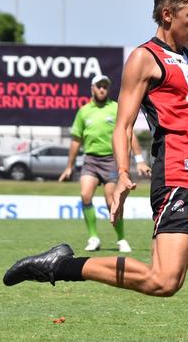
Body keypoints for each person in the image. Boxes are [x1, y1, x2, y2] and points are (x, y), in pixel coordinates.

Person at [3, 0, 188, 341]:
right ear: (167, 15)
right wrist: (122, 173)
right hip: (179, 186)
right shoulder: (144, 58)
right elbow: (122, 126)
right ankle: (61, 265)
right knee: (163, 281)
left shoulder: (186, 56)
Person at [58, 74, 151, 252]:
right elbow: (76, 140)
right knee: (85, 195)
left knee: (111, 200)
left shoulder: (116, 108)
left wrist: (139, 160)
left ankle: (121, 238)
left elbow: (127, 132)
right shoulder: (84, 111)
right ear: (92, 88)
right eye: (98, 86)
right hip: (91, 160)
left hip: (111, 160)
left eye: (105, 86)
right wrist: (69, 166)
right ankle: (93, 238)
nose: (102, 89)